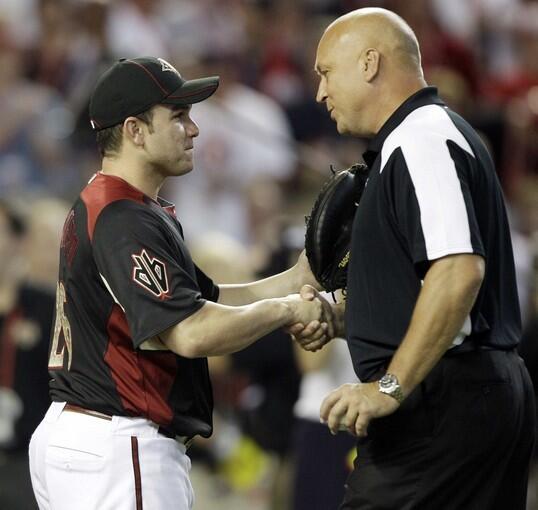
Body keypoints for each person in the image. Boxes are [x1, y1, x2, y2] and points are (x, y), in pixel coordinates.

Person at [28, 56, 330, 510]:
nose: (194, 129)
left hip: (88, 434)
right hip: (117, 438)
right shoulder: (122, 218)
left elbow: (205, 301)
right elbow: (190, 332)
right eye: (178, 116)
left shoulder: (118, 204)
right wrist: (287, 311)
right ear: (134, 130)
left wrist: (294, 280)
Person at [291, 7, 536, 509]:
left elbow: (457, 270)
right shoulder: (425, 137)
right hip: (466, 395)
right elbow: (434, 277)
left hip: (441, 405)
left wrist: (388, 387)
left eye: (325, 72)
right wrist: (356, 318)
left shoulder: (420, 139)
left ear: (368, 63)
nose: (319, 92)